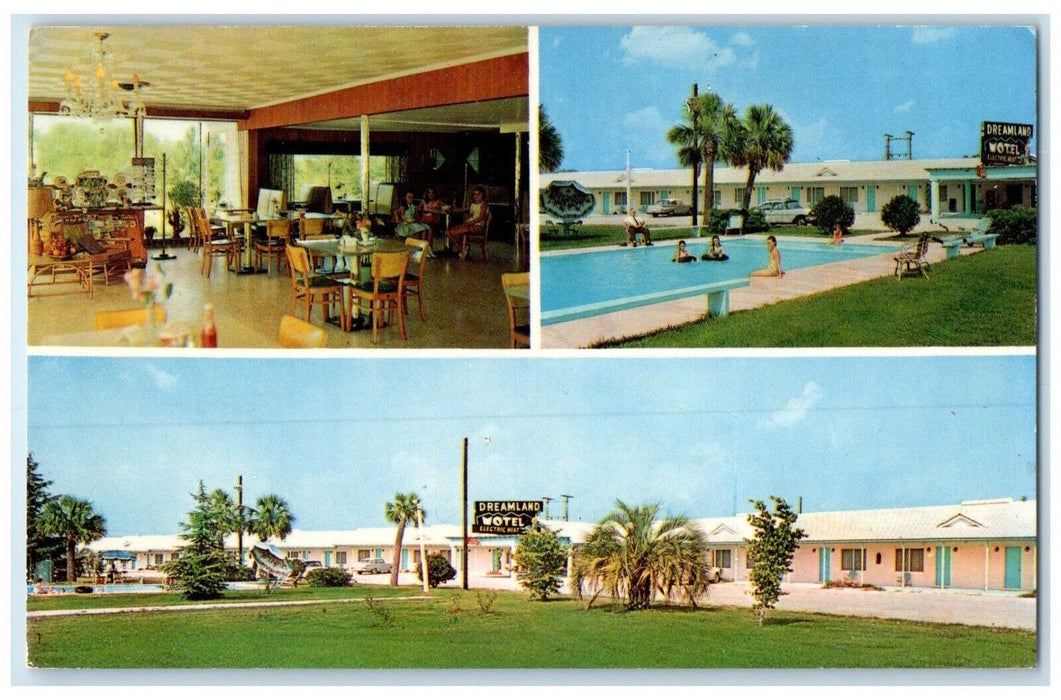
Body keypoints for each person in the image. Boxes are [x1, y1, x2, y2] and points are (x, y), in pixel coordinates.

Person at [445, 186, 489, 260]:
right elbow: (463, 209)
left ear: (483, 195)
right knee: (447, 232)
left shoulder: (483, 205)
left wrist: (469, 223)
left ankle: (462, 250)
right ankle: (462, 249)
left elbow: (481, 218)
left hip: (477, 226)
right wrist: (451, 210)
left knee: (454, 232)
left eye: (478, 194)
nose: (476, 196)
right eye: (475, 194)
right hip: (469, 225)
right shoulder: (473, 205)